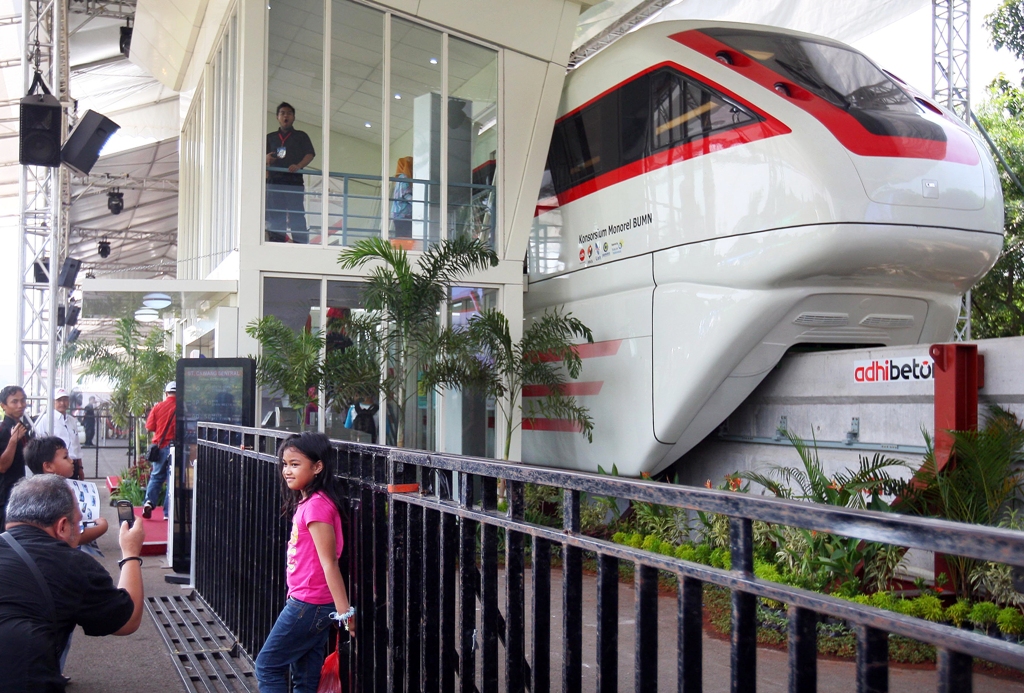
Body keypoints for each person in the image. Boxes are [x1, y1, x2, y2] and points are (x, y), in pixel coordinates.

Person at [0, 474, 146, 692]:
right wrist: (131, 553)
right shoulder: (70, 564)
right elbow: (127, 619)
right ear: (62, 526)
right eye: (78, 523)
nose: (79, 530)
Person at [254, 432, 354, 693]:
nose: (287, 471)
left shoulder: (317, 506)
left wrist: (346, 615)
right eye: (285, 464)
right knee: (306, 678)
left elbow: (330, 562)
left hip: (309, 604)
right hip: (312, 603)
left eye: (295, 464)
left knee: (267, 666)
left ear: (318, 467)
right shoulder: (309, 501)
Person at [266, 102, 316, 244]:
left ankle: (300, 241)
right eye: (282, 113)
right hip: (274, 182)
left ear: (293, 117)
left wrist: (299, 165)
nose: (285, 116)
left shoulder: (301, 136)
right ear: (277, 117)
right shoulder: (270, 137)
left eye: (289, 113)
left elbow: (310, 154)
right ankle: (276, 241)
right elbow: (260, 156)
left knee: (296, 213)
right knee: (276, 213)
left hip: (293, 182)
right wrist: (266, 158)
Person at [142, 381, 176, 520]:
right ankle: (168, 513)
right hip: (176, 448)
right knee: (172, 479)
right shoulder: (183, 408)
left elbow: (150, 427)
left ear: (166, 393)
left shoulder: (158, 407)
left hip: (160, 447)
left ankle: (149, 502)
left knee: (156, 477)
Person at [34, 389, 84, 481]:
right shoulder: (46, 420)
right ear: (53, 402)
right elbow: (39, 446)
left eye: (65, 400)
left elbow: (76, 445)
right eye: (59, 400)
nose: (62, 403)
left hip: (73, 464)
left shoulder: (72, 420)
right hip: (57, 466)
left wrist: (80, 468)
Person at [0, 385, 33, 527]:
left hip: (18, 490)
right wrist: (13, 441)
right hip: (4, 493)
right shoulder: (3, 430)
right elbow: (2, 466)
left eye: (23, 400)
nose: (20, 405)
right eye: (14, 401)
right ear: (3, 405)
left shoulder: (22, 427)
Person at [391, 156, 413, 240]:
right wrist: (419, 204)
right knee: (404, 239)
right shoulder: (403, 177)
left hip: (400, 215)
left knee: (402, 239)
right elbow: (406, 194)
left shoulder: (399, 179)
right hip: (403, 215)